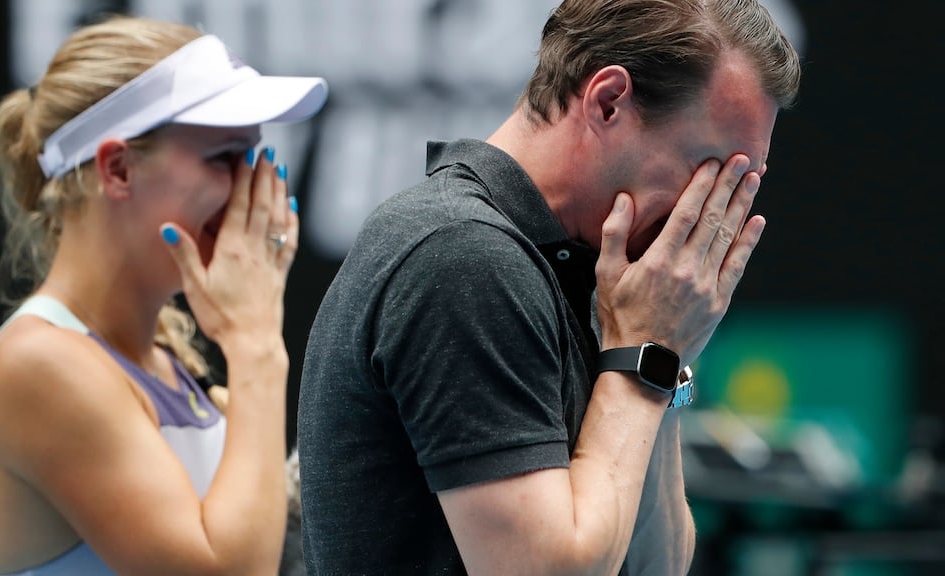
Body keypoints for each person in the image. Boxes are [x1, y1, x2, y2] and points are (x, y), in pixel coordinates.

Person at [297, 0, 800, 574]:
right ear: (608, 102)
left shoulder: (590, 275)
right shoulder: (463, 256)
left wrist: (665, 353)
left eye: (744, 182)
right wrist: (648, 353)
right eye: (711, 169)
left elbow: (654, 564)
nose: (717, 212)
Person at [0, 15, 327, 576]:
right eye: (225, 158)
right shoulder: (34, 365)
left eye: (255, 157)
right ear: (118, 169)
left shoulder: (171, 367)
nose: (255, 192)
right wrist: (256, 342)